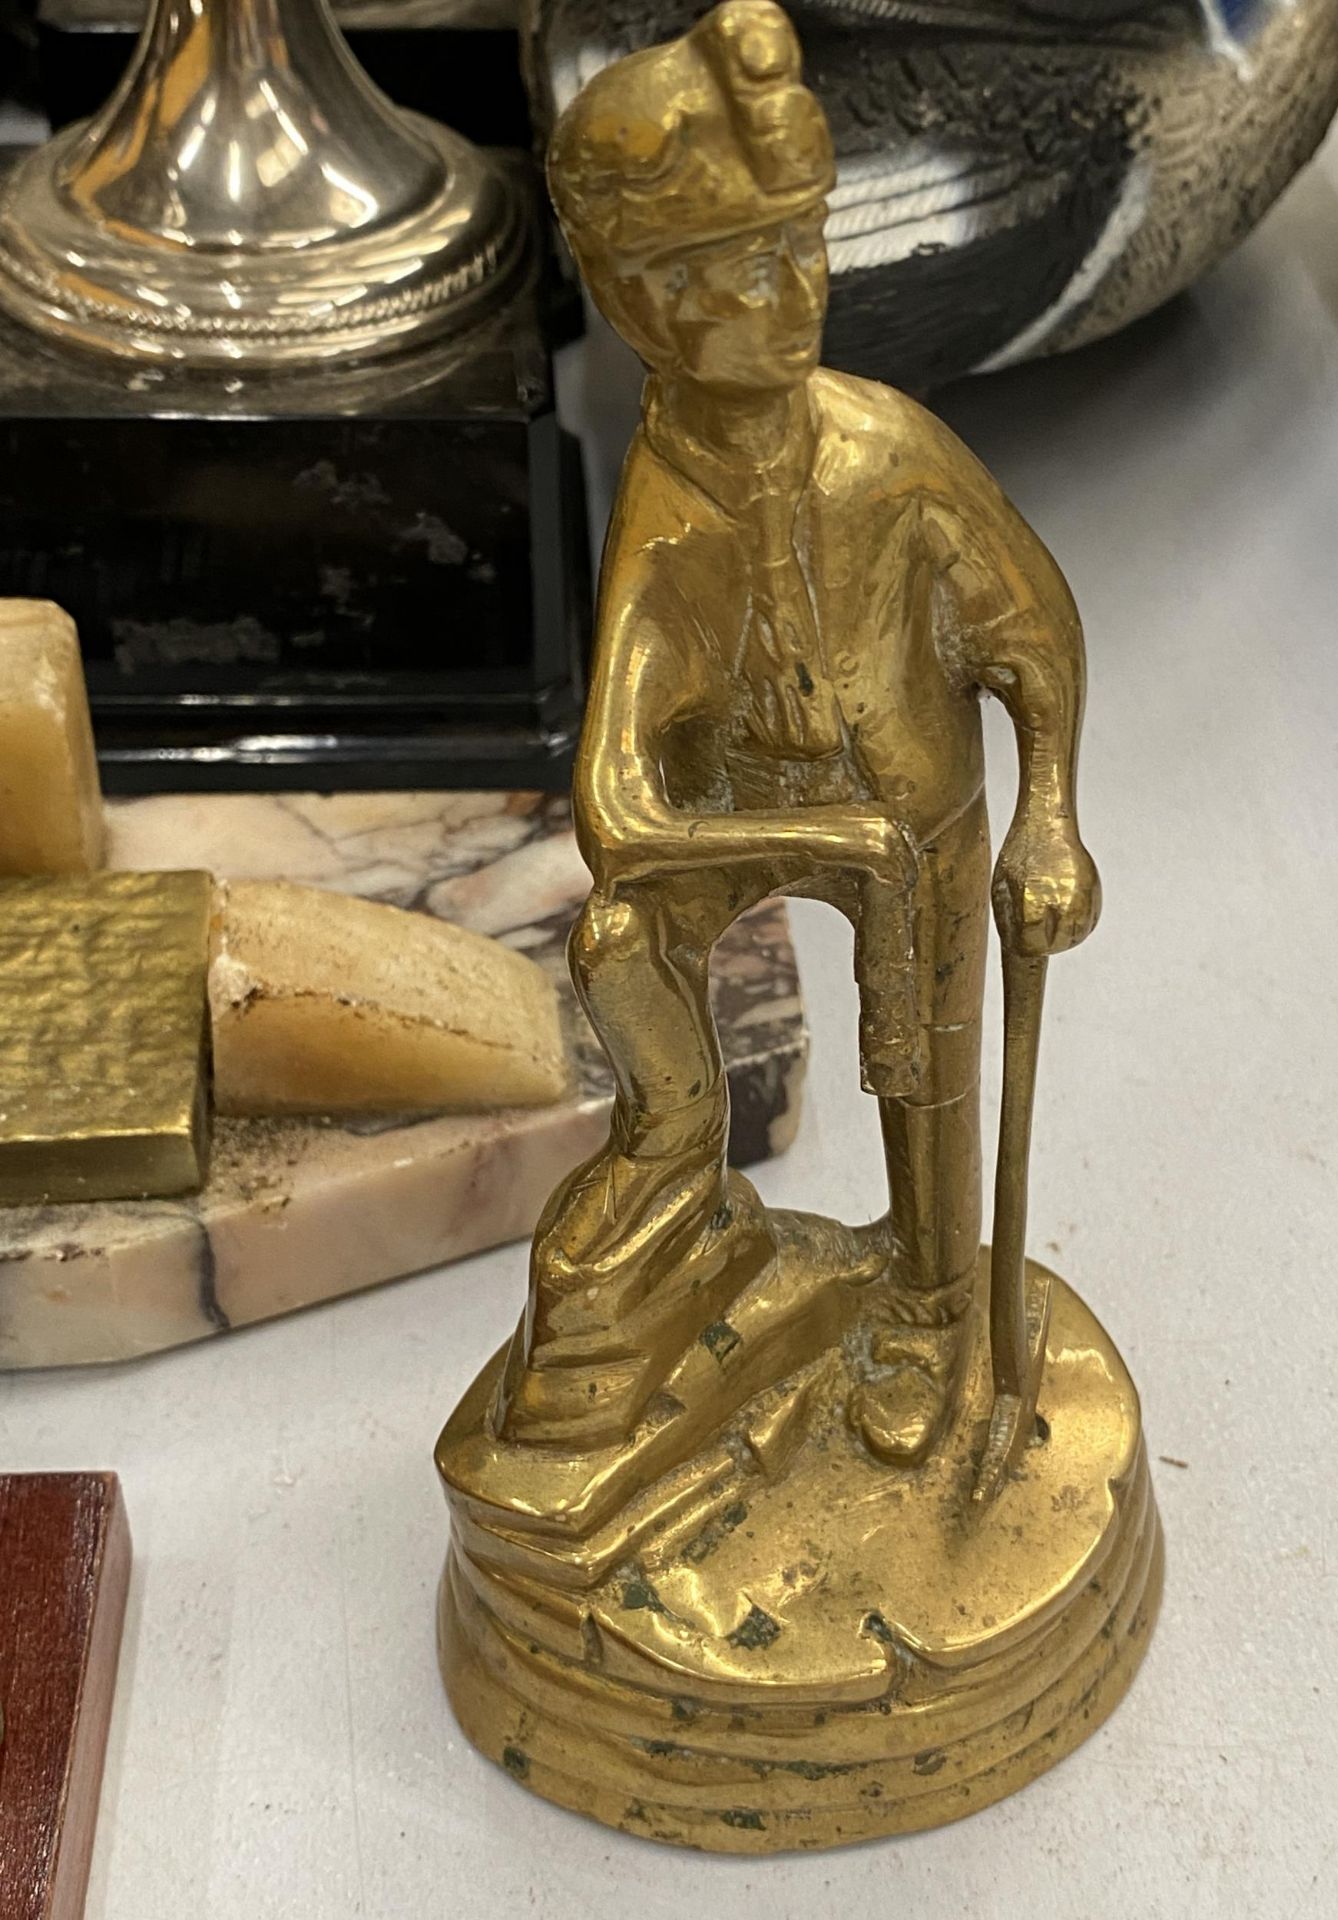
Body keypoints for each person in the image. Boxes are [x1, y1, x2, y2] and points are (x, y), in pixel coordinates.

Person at [500, 0, 1100, 1467]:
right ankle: (677, 1165)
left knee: (923, 1044)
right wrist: (811, 835)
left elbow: (1032, 632)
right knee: (621, 947)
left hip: (923, 817)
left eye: (805, 248)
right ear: (637, 303)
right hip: (756, 814)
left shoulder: (888, 452)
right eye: (737, 270)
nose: (794, 290)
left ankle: (933, 1293)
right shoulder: (662, 505)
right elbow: (618, 815)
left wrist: (1050, 817)